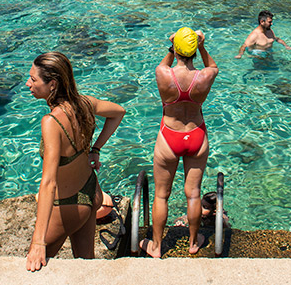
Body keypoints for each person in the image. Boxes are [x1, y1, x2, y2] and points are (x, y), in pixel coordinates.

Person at [24, 52, 125, 269]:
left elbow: (49, 182)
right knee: (85, 266)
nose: (27, 83)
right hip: (90, 191)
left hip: (68, 204)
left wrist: (38, 241)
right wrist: (95, 149)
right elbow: (118, 112)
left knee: (33, 270)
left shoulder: (51, 122)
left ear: (52, 84)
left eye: (33, 79)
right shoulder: (84, 103)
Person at [140, 28, 218, 258]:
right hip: (196, 136)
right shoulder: (205, 76)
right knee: (193, 194)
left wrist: (172, 47)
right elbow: (212, 66)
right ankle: (194, 243)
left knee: (161, 195)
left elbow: (164, 64)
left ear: (176, 49)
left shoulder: (163, 73)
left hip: (169, 137)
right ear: (194, 50)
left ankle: (156, 246)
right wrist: (201, 46)